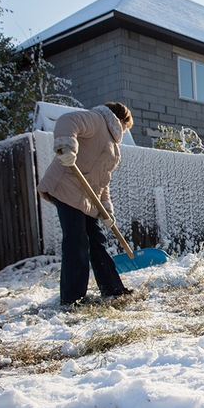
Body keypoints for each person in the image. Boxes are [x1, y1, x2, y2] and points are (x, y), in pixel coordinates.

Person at [37, 102, 134, 306]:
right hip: (65, 186)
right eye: (127, 126)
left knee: (97, 240)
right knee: (77, 240)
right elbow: (67, 121)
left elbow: (102, 183)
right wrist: (67, 147)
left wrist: (106, 210)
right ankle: (72, 299)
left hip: (85, 198)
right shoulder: (97, 119)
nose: (125, 131)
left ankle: (113, 289)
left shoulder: (113, 148)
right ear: (122, 120)